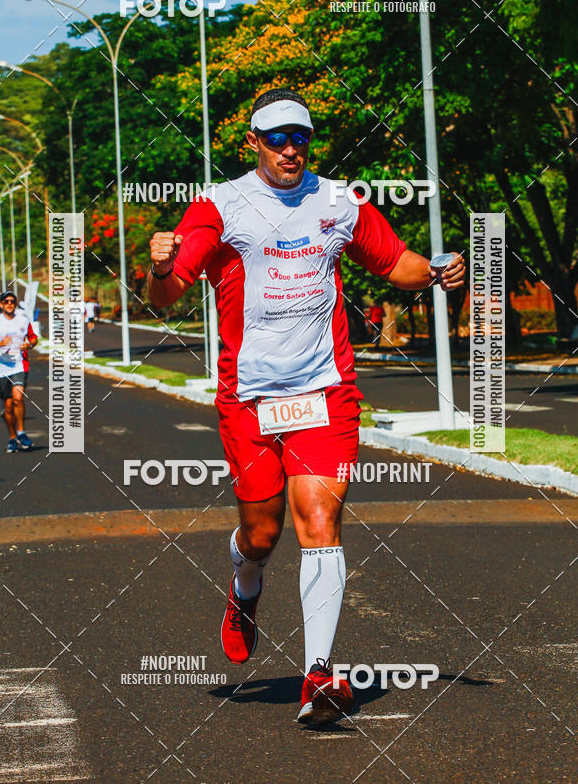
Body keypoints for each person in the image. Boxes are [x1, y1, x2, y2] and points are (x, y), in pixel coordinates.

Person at [147, 88, 465, 725]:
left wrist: (435, 270)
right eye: (277, 138)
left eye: (300, 138)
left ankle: (319, 676)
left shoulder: (339, 201)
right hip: (251, 399)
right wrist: (158, 267)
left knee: (320, 521)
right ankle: (244, 589)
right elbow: (166, 297)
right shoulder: (220, 206)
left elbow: (392, 261)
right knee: (263, 533)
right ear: (254, 143)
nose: (290, 149)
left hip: (326, 390)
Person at [0, 291, 38, 453]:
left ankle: (21, 432)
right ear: (1, 304)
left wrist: (29, 345)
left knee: (18, 398)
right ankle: (12, 437)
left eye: (12, 301)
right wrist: (1, 344)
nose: (9, 303)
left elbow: (33, 338)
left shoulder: (23, 320)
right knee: (7, 407)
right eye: (6, 301)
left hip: (20, 365)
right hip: (2, 368)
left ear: (15, 303)